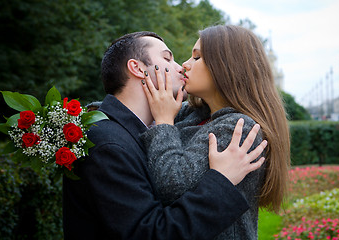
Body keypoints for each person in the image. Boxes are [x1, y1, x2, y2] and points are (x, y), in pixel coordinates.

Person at [63, 31, 267, 240]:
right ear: (137, 68)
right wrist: (221, 180)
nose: (182, 66)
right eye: (168, 58)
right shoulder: (108, 143)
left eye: (196, 57)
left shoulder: (229, 125)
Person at [140, 25, 291, 239]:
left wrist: (164, 121)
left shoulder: (239, 129)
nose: (185, 65)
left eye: (197, 57)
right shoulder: (197, 114)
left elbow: (171, 185)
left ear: (227, 66)